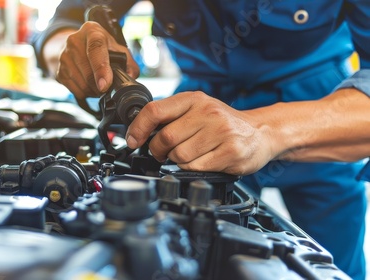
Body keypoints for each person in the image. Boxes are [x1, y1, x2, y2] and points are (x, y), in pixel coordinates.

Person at [34, 1, 370, 279]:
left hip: (321, 116)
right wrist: (69, 46)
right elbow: (66, 20)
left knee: (334, 266)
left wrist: (266, 130)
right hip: (192, 118)